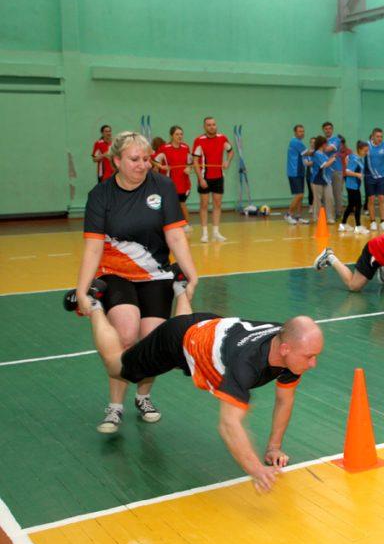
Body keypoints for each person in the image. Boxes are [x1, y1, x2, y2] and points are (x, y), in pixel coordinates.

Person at [75, 287, 321, 493]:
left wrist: (273, 448)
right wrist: (256, 470)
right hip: (177, 340)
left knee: (182, 328)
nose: (313, 364)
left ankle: (180, 286)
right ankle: (95, 303)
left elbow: (284, 399)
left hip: (208, 329)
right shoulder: (245, 364)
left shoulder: (288, 346)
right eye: (309, 357)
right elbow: (229, 425)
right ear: (286, 349)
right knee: (117, 366)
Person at [74, 131, 199, 433]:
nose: (143, 165)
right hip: (114, 272)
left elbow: (174, 235)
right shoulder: (101, 195)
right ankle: (115, 405)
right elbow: (93, 246)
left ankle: (143, 397)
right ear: (116, 161)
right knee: (126, 334)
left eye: (146, 159)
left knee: (152, 342)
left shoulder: (163, 187)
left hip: (155, 274)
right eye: (134, 159)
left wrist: (191, 273)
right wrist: (82, 288)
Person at [191, 117, 234, 243]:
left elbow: (230, 152)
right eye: (209, 125)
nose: (212, 127)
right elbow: (195, 161)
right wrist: (200, 179)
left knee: (217, 204)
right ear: (205, 127)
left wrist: (227, 161)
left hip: (219, 177)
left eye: (214, 124)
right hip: (205, 178)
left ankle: (216, 232)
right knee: (204, 205)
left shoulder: (222, 138)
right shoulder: (199, 140)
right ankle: (204, 233)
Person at [153, 126, 194, 232]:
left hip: (183, 182)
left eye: (181, 134)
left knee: (182, 204)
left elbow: (190, 163)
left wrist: (188, 168)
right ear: (171, 135)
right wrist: (161, 166)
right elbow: (154, 160)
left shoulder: (186, 147)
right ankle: (170, 225)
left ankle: (186, 224)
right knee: (168, 205)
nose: (179, 136)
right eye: (177, 134)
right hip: (169, 183)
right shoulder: (164, 148)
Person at [339, 140, 368, 234]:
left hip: (355, 185)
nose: (366, 153)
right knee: (358, 205)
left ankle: (343, 224)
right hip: (352, 186)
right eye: (365, 151)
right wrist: (357, 175)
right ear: (359, 149)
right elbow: (347, 171)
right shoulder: (354, 159)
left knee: (351, 205)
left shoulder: (359, 158)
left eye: (367, 151)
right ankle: (358, 226)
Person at [307, 136, 336, 224]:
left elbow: (327, 163)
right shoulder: (317, 154)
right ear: (322, 144)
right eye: (326, 144)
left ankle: (330, 217)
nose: (327, 145)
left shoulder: (323, 154)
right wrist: (333, 159)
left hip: (327, 180)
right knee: (317, 200)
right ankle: (316, 217)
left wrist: (331, 158)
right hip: (317, 179)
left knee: (329, 198)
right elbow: (324, 165)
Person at [285, 125, 311, 225]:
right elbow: (308, 153)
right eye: (300, 131)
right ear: (295, 132)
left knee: (301, 196)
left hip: (300, 171)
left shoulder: (299, 142)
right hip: (294, 172)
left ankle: (298, 217)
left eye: (303, 131)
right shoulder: (295, 141)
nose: (302, 133)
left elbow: (304, 156)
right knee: (299, 195)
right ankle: (288, 214)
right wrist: (320, 150)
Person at [365, 128, 384, 231]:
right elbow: (358, 154)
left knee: (382, 198)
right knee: (371, 199)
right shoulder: (366, 145)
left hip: (381, 176)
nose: (380, 138)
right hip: (369, 176)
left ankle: (383, 221)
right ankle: (373, 221)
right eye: (378, 136)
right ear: (373, 136)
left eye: (381, 136)